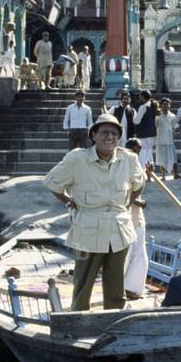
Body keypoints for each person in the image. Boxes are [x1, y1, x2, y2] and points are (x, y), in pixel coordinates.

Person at [43, 113, 146, 311]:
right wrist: (69, 202)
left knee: (116, 284)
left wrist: (127, 204)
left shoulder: (129, 158)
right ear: (94, 135)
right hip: (87, 230)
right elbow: (52, 183)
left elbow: (139, 184)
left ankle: (114, 319)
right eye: (105, 132)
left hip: (119, 230)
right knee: (83, 282)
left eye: (115, 133)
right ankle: (79, 319)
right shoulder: (77, 159)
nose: (110, 137)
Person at [122, 138, 149, 301]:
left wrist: (148, 174)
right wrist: (137, 201)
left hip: (138, 217)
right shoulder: (122, 166)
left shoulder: (135, 165)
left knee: (140, 255)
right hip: (126, 217)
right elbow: (122, 192)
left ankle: (132, 288)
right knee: (127, 254)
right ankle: (120, 287)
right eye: (137, 150)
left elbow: (139, 185)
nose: (138, 153)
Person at [132, 90, 159, 169]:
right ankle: (150, 171)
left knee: (143, 153)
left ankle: (141, 170)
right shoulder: (153, 105)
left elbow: (136, 121)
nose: (139, 97)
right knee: (149, 153)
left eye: (140, 95)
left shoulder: (143, 107)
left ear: (143, 97)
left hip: (143, 134)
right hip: (152, 133)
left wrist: (134, 114)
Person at [154, 97, 178, 179]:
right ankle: (163, 175)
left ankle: (175, 174)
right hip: (160, 140)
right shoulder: (157, 115)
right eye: (164, 104)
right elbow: (155, 126)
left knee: (173, 157)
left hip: (169, 140)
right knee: (161, 159)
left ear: (169, 105)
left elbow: (175, 126)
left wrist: (171, 130)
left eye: (167, 104)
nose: (166, 105)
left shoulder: (172, 115)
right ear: (160, 105)